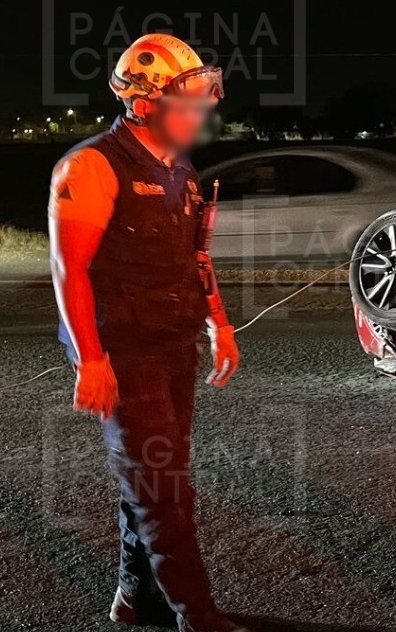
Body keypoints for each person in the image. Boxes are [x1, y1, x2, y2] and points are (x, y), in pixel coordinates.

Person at [49, 34, 247, 632]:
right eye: (187, 102)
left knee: (156, 477)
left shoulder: (180, 168)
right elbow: (69, 268)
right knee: (163, 490)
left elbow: (197, 258)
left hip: (172, 345)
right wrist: (91, 359)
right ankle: (198, 616)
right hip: (121, 351)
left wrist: (220, 324)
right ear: (142, 104)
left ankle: (135, 599)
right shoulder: (91, 165)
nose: (201, 113)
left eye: (202, 99)